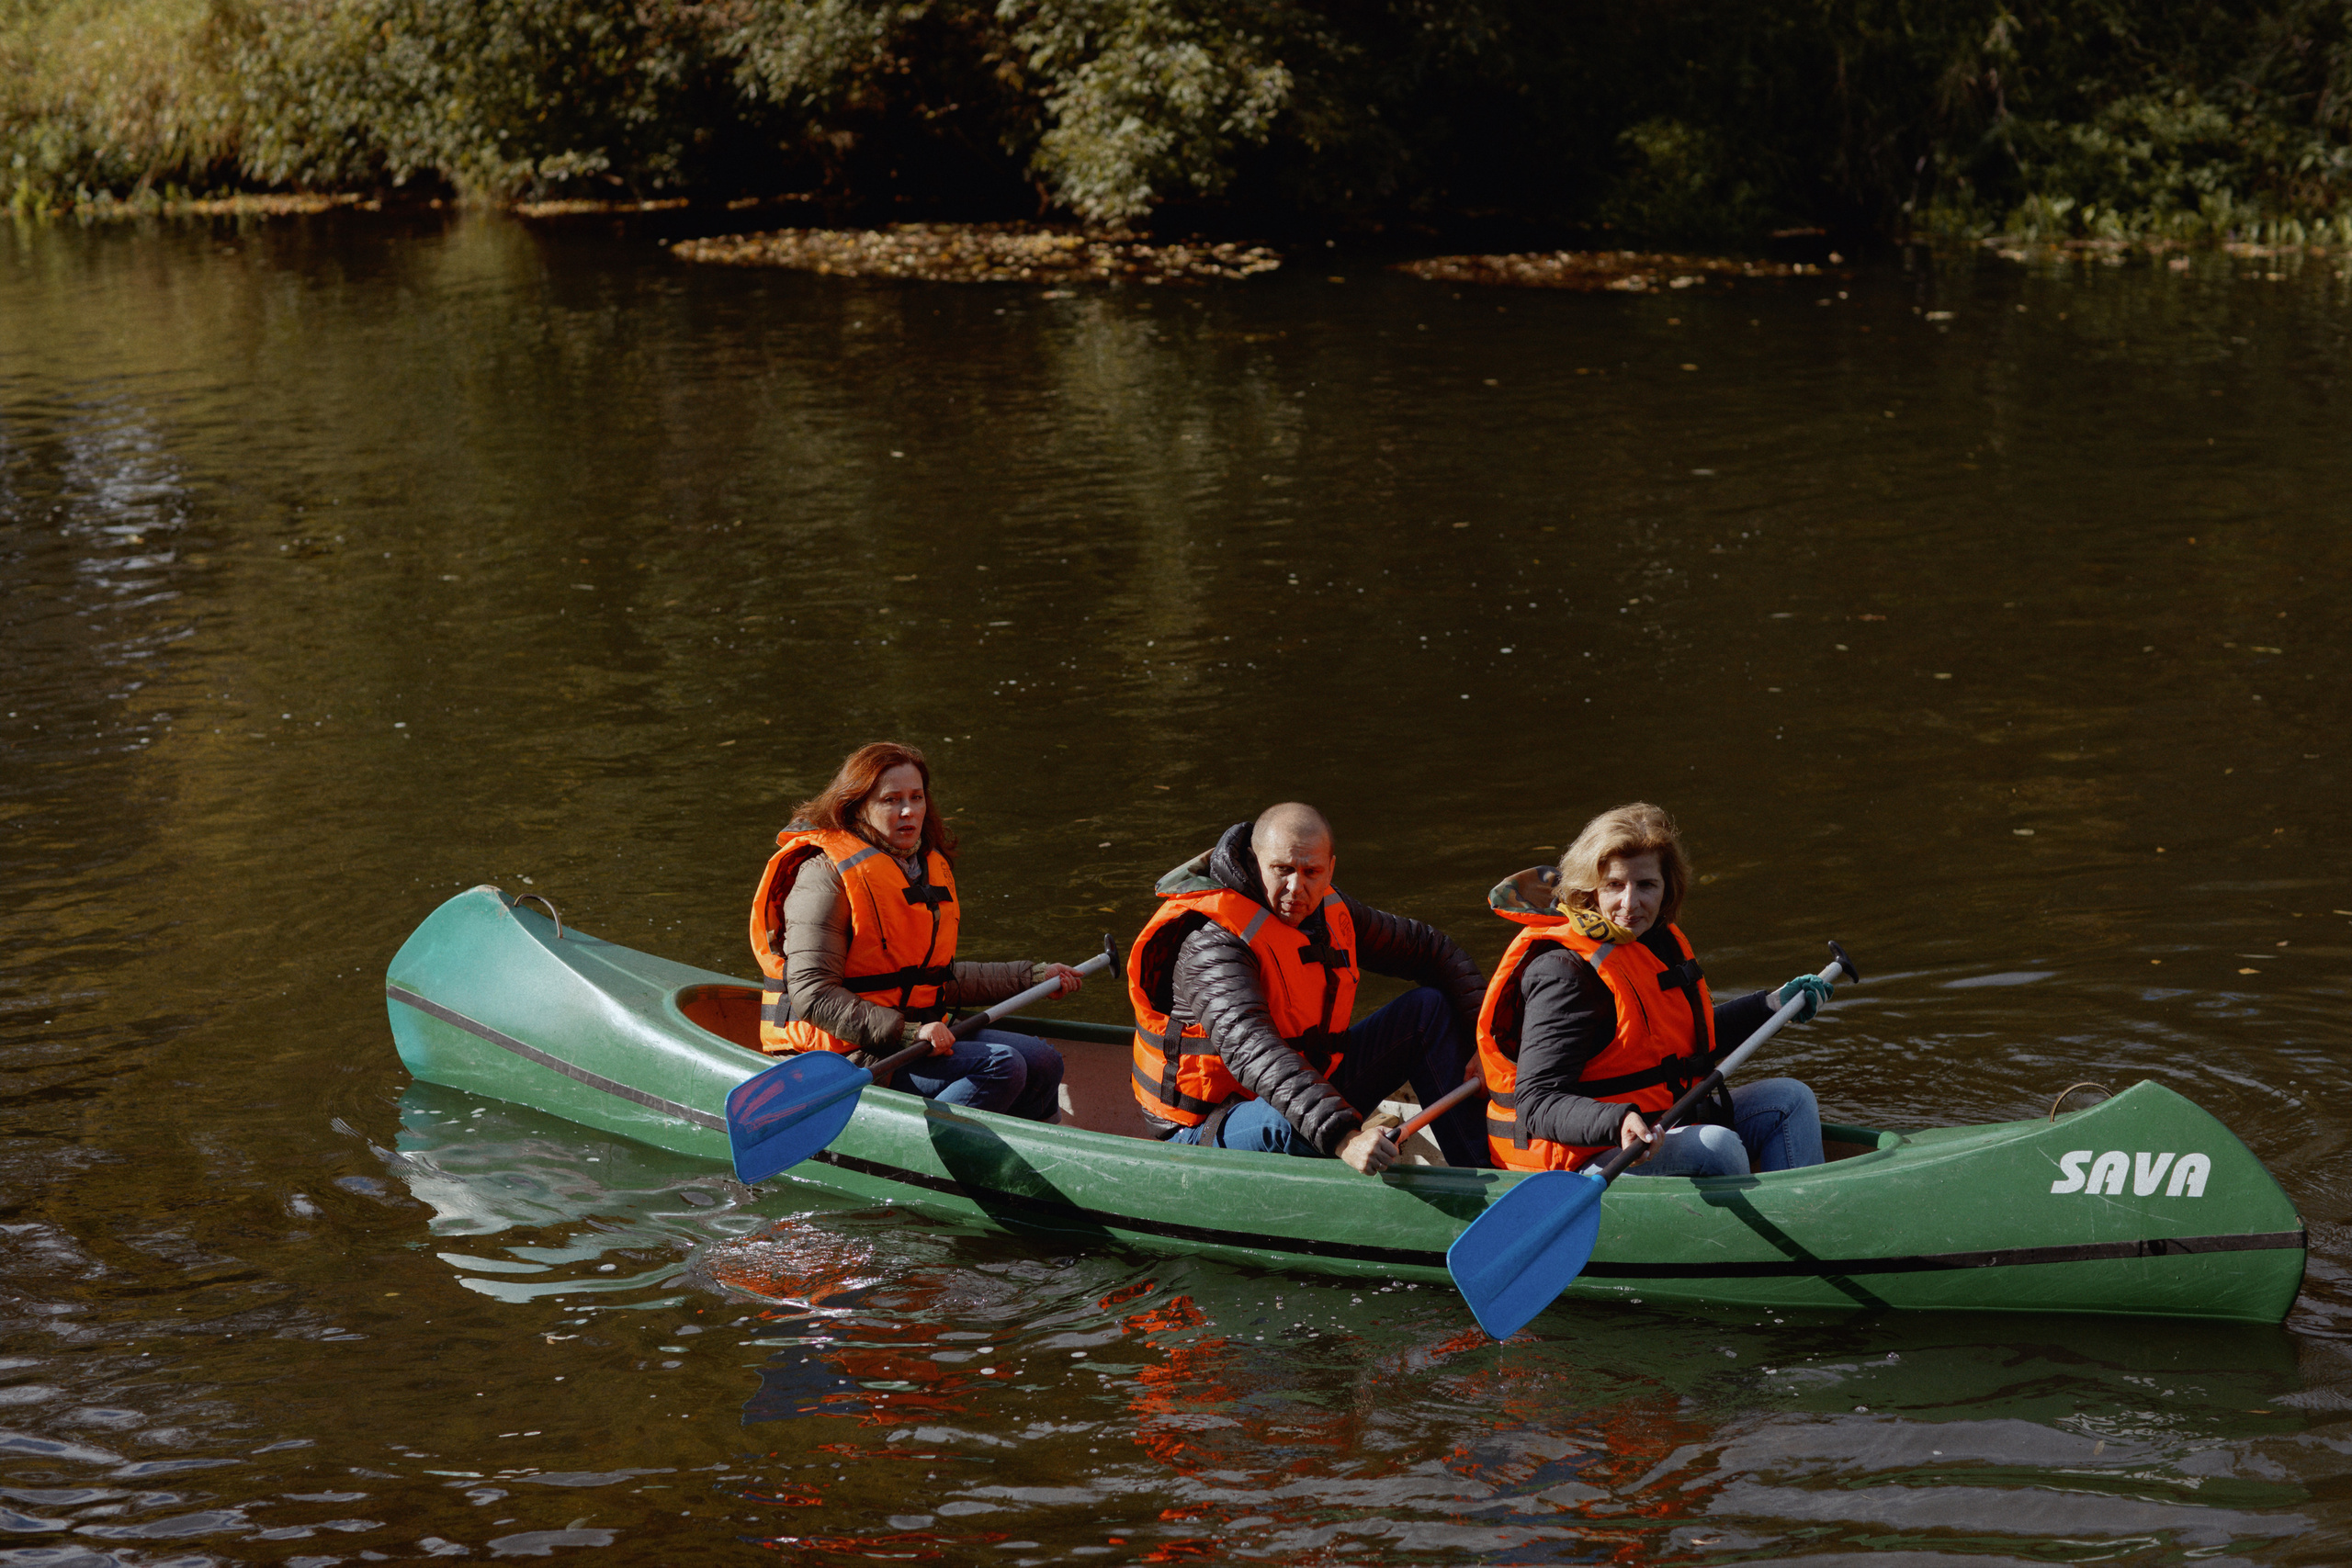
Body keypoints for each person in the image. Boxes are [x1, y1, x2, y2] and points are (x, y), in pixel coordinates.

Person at [1126, 802, 1487, 1172]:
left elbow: (1432, 950)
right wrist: (1345, 1139)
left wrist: (1486, 1048)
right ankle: (1335, 1139)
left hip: (1305, 1095)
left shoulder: (1329, 909)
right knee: (1286, 1122)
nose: (1296, 888)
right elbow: (1255, 1052)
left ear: (1330, 868)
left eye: (1311, 872)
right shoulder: (1211, 942)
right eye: (1282, 870)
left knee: (1427, 1011)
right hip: (1209, 1125)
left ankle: (1487, 1181)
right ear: (1254, 862)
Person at [1475, 802, 1831, 1177]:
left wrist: (1773, 1005)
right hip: (1585, 1158)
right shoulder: (1564, 971)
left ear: (1667, 888)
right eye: (1614, 885)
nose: (1630, 904)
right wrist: (1618, 1121)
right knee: (1717, 1146)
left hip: (1660, 1123)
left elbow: (1683, 1049)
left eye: (1646, 885)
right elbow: (1537, 1103)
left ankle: (1801, 1216)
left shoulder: (1653, 942)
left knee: (1791, 1100)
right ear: (1591, 890)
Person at [747, 741, 1082, 1122]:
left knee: (1043, 1061)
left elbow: (935, 980)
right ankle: (925, 1163)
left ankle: (1019, 1161)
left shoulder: (921, 866)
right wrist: (906, 1033)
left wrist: (1033, 977)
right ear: (857, 806)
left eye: (916, 797)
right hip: (838, 1056)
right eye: (891, 800)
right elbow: (812, 994)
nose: (908, 811)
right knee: (1003, 1065)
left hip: (909, 1035)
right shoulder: (823, 877)